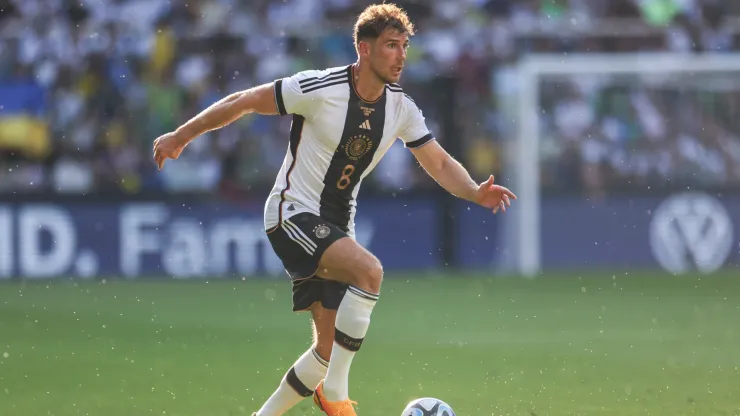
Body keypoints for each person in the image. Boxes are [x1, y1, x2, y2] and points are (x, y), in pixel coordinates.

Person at [152, 3, 516, 415]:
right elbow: (244, 100)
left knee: (326, 349)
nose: (401, 56)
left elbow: (438, 161)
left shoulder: (400, 108)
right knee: (370, 272)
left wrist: (472, 191)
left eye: (405, 46)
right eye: (391, 45)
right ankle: (336, 394)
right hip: (292, 215)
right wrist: (181, 136)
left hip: (337, 226)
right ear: (364, 49)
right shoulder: (320, 88)